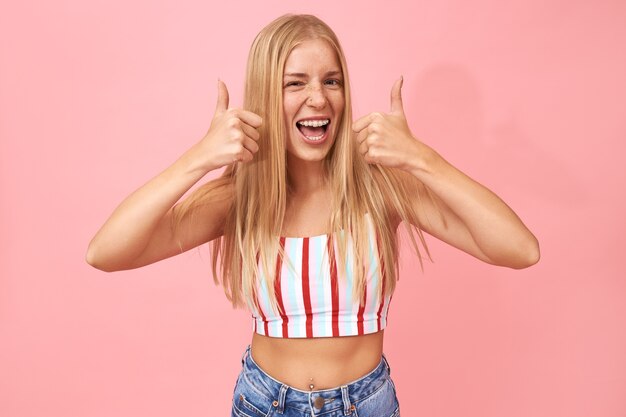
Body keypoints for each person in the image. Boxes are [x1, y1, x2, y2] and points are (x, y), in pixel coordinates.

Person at [86, 13, 539, 417]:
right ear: (265, 96)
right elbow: (105, 252)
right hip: (263, 403)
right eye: (295, 82)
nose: (318, 98)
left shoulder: (381, 188)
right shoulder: (237, 199)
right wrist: (198, 159)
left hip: (366, 405)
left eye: (332, 81)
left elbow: (520, 249)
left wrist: (420, 158)